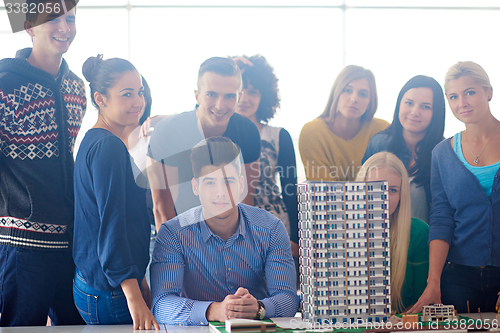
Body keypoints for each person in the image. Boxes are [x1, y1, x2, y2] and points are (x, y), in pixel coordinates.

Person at [0, 0, 86, 326]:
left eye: (71, 19)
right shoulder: (4, 84)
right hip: (21, 248)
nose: (64, 28)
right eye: (53, 20)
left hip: (71, 244)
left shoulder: (76, 87)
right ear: (29, 27)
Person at [151, 137, 298, 325]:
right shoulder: (173, 233)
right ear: (196, 187)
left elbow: (288, 298)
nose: (220, 192)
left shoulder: (271, 228)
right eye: (210, 182)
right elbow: (161, 304)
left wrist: (259, 308)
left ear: (242, 185)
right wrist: (214, 310)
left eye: (228, 181)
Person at [73, 55, 159, 330]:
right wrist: (133, 296)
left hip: (102, 282)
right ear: (100, 98)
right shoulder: (108, 147)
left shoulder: (94, 139)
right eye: (126, 94)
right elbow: (111, 226)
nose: (138, 102)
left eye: (140, 92)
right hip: (111, 291)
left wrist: (138, 277)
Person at [408, 61, 500, 314]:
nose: (463, 102)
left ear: (488, 92)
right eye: (453, 96)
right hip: (457, 277)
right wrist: (433, 282)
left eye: (470, 92)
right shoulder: (442, 153)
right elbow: (441, 217)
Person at [147, 57, 260, 230]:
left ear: (239, 97)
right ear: (197, 95)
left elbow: (245, 201)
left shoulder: (248, 133)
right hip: (171, 229)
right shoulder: (167, 133)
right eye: (211, 95)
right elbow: (162, 210)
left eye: (229, 96)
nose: (220, 105)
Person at [233, 55, 299, 259]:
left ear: (265, 96)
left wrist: (297, 240)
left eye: (253, 92)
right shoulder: (215, 135)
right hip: (232, 229)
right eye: (239, 90)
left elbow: (291, 191)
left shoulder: (279, 136)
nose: (244, 98)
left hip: (277, 226)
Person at [363, 75, 446, 224]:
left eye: (425, 106)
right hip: (380, 236)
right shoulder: (378, 144)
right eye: (409, 103)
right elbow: (360, 196)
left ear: (437, 113)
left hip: (424, 239)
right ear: (399, 104)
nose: (414, 112)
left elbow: (445, 211)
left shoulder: (445, 152)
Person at [356, 152, 429, 313]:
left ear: (402, 194)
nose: (383, 197)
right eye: (373, 187)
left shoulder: (418, 233)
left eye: (392, 190)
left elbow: (420, 304)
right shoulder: (337, 233)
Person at [299, 65, 388, 182]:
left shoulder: (382, 129)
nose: (354, 99)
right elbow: (324, 191)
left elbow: (385, 185)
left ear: (370, 103)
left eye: (363, 94)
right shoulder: (312, 132)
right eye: (347, 90)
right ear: (336, 93)